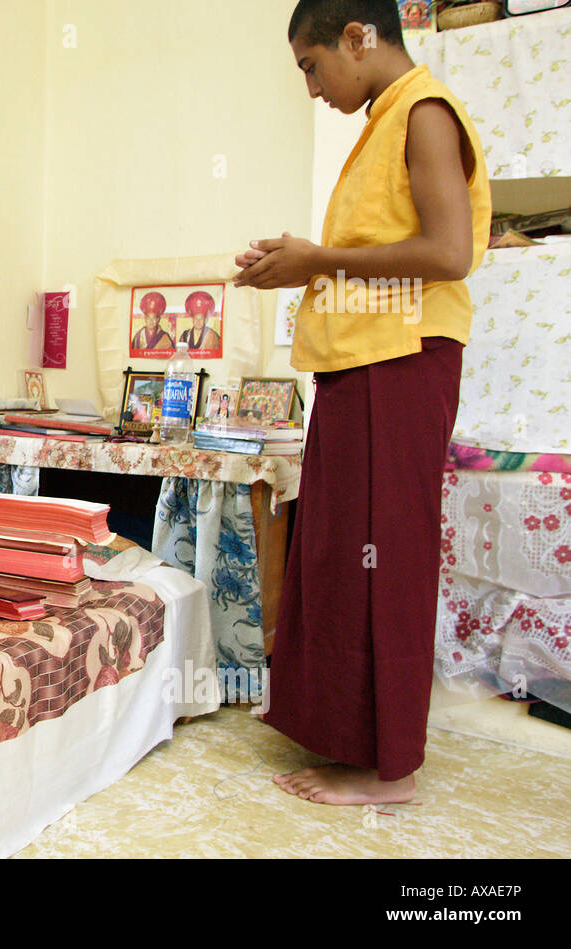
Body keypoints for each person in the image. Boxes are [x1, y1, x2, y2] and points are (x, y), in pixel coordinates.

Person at [233, 0, 490, 806]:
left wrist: (318, 261)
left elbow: (450, 253)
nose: (311, 88)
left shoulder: (423, 110)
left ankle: (394, 772)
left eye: (311, 66)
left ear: (356, 38)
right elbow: (377, 255)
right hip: (362, 365)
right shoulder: (385, 122)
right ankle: (352, 742)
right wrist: (305, 263)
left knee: (388, 552)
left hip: (401, 363)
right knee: (342, 551)